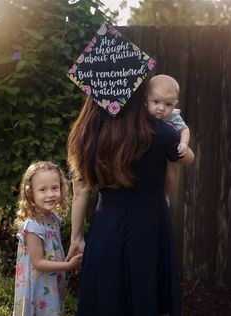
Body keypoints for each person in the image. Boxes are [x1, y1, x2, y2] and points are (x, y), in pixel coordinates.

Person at [66, 83, 195, 316]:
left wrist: (77, 238)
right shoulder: (163, 133)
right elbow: (178, 166)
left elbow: (80, 192)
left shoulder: (89, 133)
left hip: (107, 227)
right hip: (152, 224)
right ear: (140, 94)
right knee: (146, 297)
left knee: (107, 298)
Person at [13, 161, 83, 316]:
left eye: (55, 188)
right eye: (43, 190)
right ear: (30, 193)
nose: (50, 194)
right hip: (37, 286)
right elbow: (38, 263)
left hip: (50, 280)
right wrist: (68, 266)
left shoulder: (53, 219)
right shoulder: (33, 227)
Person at [146, 74, 190, 203]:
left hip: (166, 150)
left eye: (168, 104)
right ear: (147, 99)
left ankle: (165, 197)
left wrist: (183, 144)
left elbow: (185, 129)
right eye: (156, 102)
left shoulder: (173, 116)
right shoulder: (143, 113)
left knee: (170, 174)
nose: (161, 108)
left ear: (175, 103)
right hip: (151, 150)